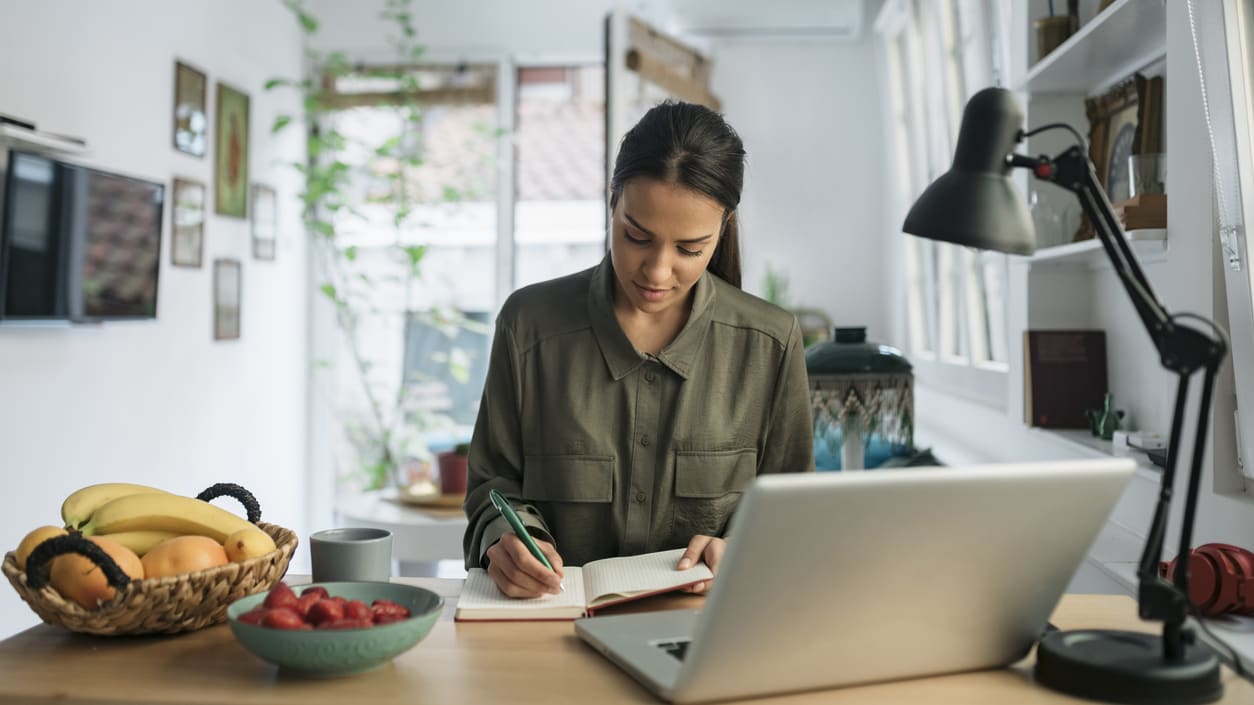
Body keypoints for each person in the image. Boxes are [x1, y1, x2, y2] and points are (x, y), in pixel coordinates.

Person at [462, 100, 815, 599]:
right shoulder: (529, 326)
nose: (656, 271)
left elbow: (793, 513)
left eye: (690, 249)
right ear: (612, 202)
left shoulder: (770, 344)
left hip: (705, 634)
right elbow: (492, 487)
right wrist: (508, 541)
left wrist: (745, 548)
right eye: (636, 236)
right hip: (550, 629)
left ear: (724, 228)